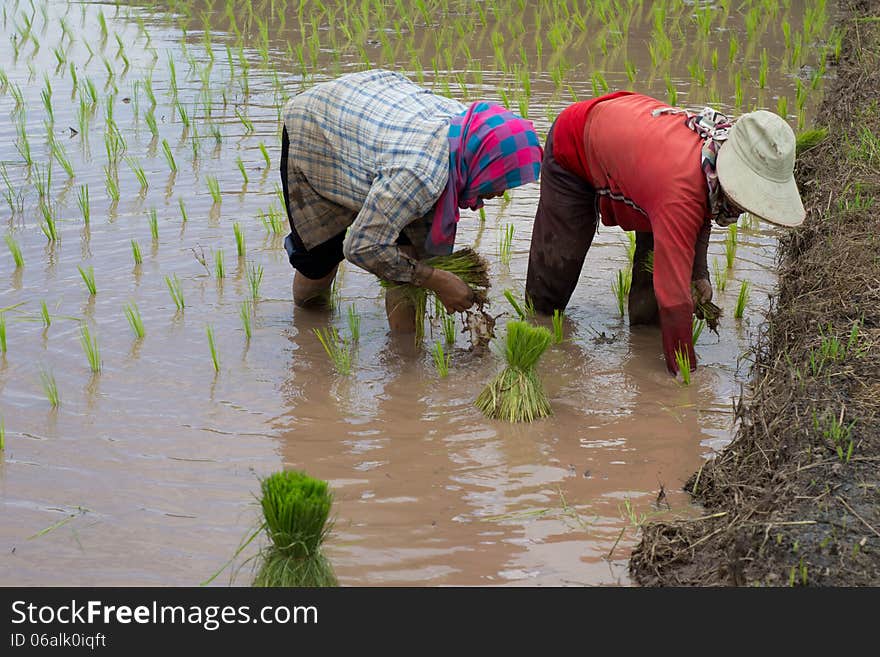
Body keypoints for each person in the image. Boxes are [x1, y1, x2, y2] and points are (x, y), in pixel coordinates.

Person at [525, 91, 805, 375]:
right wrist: (685, 378)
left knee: (655, 289)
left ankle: (643, 340)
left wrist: (698, 274)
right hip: (574, 142)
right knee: (555, 275)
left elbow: (702, 212)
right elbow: (674, 300)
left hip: (642, 159)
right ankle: (535, 337)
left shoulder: (709, 160)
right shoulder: (680, 192)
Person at [279, 69, 543, 332]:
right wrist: (438, 280)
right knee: (320, 256)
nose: (499, 193)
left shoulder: (468, 136)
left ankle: (405, 355)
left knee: (408, 256)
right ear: (484, 164)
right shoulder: (419, 174)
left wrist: (426, 275)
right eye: (500, 182)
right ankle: (307, 332)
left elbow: (402, 259)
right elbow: (361, 247)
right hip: (316, 127)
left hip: (372, 122)